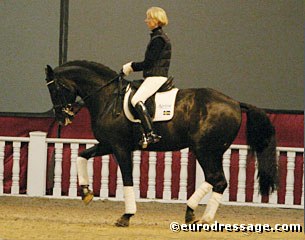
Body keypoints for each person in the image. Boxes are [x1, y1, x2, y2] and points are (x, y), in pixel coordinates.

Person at [122, 6, 171, 148]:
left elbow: (149, 62)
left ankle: (150, 133)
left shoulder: (159, 39)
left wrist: (131, 66)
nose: (146, 21)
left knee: (137, 99)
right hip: (154, 76)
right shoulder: (157, 37)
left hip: (156, 76)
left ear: (156, 20)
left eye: (148, 18)